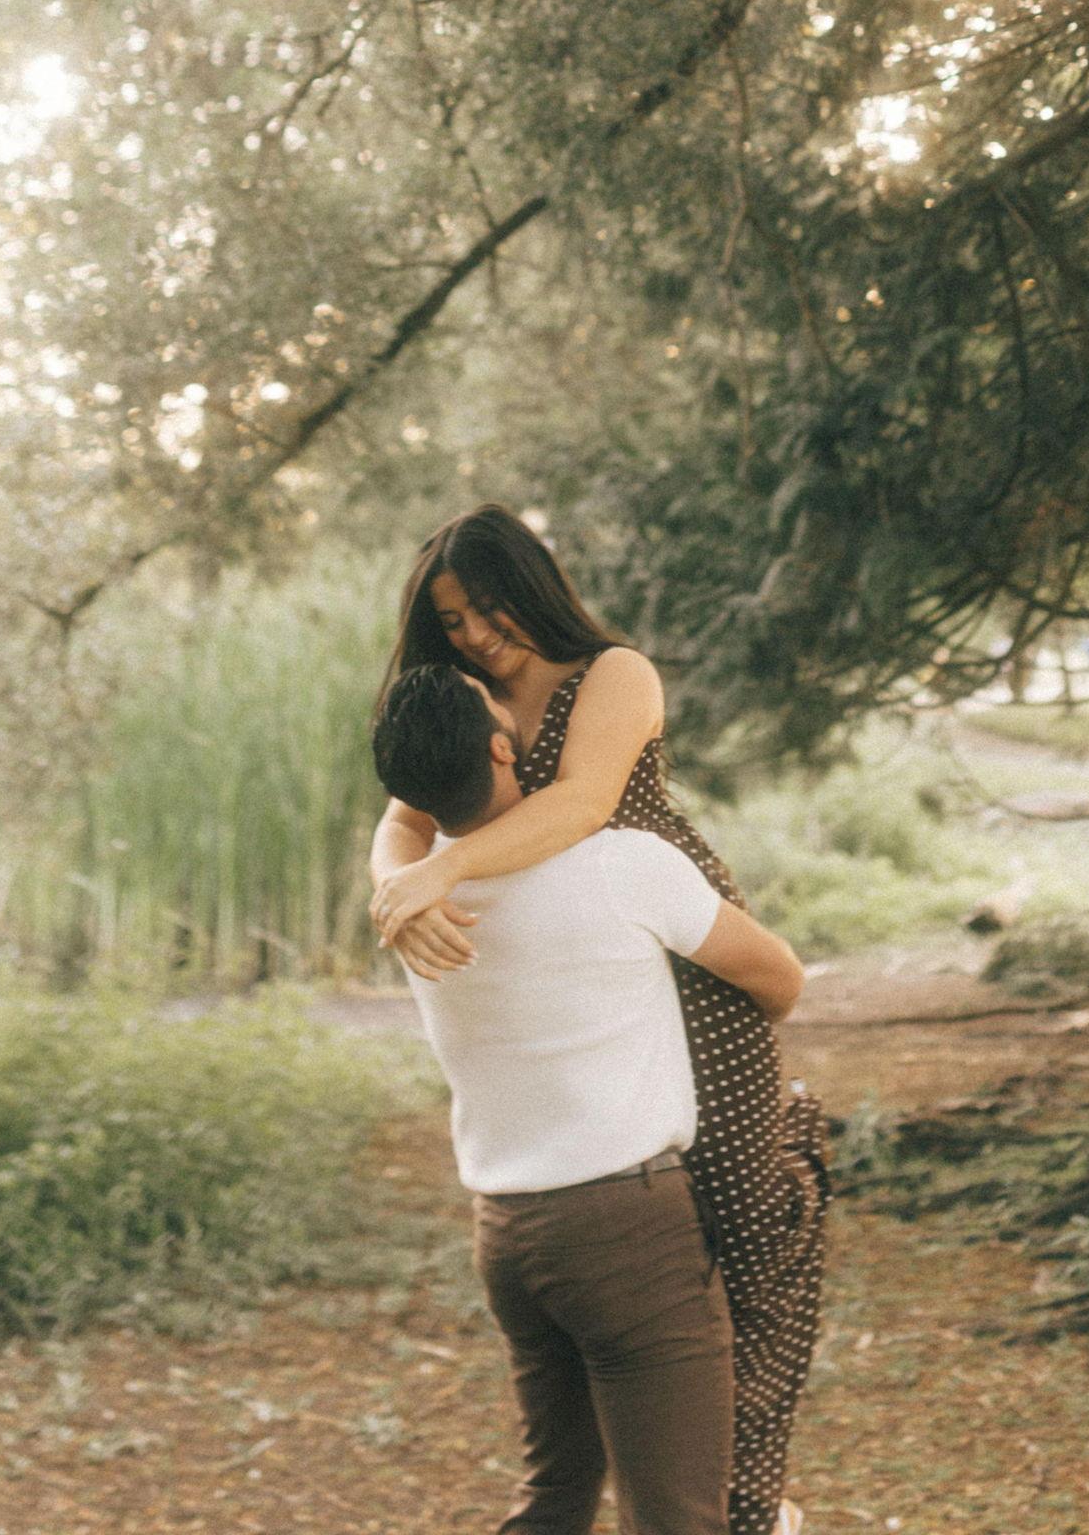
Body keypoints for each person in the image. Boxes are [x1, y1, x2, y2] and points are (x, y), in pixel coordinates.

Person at [369, 506, 828, 1535]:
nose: (473, 634)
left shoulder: (612, 673)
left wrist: (445, 868)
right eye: (451, 620)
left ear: (529, 585)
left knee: (749, 1237)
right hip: (596, 952)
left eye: (485, 608)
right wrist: (399, 892)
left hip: (684, 958)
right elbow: (400, 817)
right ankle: (706, 1501)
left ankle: (745, 1501)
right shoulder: (462, 704)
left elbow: (580, 804)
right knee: (657, 1264)